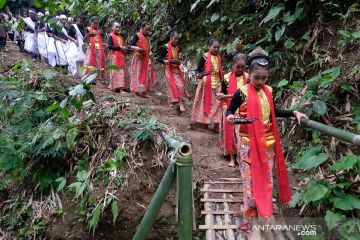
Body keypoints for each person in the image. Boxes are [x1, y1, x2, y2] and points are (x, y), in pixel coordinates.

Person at [226, 47, 307, 222]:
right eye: (257, 78)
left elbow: (273, 111)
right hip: (248, 143)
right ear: (249, 74)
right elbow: (229, 111)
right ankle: (251, 209)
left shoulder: (268, 91)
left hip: (267, 143)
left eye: (264, 78)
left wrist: (294, 113)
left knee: (266, 177)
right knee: (250, 178)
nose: (260, 81)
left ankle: (263, 205)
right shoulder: (242, 92)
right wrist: (231, 117)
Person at [217, 53, 248, 167]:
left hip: (243, 110)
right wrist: (221, 95)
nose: (240, 69)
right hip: (229, 109)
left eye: (242, 67)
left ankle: (242, 158)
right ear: (232, 65)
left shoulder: (248, 77)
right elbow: (223, 92)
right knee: (230, 133)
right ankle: (232, 158)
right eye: (237, 67)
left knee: (240, 134)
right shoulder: (226, 77)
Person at [191, 38, 224, 131]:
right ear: (209, 47)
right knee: (205, 103)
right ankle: (204, 124)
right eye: (214, 47)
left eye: (218, 47)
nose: (216, 49)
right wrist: (201, 74)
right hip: (206, 84)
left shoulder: (219, 57)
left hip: (218, 83)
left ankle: (216, 125)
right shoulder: (204, 57)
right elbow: (197, 69)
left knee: (219, 104)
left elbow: (220, 71)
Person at [159, 30, 188, 112]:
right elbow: (159, 59)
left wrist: (178, 61)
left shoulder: (177, 48)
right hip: (168, 69)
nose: (177, 41)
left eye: (178, 39)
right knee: (171, 86)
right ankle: (177, 103)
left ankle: (178, 102)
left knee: (181, 85)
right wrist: (166, 61)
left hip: (176, 69)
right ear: (171, 38)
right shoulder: (165, 47)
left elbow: (177, 59)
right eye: (175, 39)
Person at [130, 21, 156, 97]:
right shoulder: (137, 35)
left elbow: (148, 47)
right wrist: (137, 48)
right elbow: (131, 46)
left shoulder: (147, 37)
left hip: (146, 59)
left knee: (146, 74)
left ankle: (144, 92)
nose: (148, 31)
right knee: (138, 74)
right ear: (141, 28)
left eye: (149, 30)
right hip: (138, 59)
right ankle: (136, 91)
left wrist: (150, 52)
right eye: (146, 29)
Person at [107, 22, 129, 93]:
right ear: (112, 27)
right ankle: (119, 89)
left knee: (121, 72)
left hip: (121, 56)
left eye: (119, 27)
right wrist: (119, 47)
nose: (118, 28)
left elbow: (122, 46)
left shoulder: (120, 37)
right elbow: (110, 47)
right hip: (114, 56)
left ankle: (120, 87)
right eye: (116, 27)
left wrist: (124, 49)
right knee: (117, 72)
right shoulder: (111, 36)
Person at [82, 16, 105, 83]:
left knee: (99, 64)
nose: (96, 25)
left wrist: (103, 44)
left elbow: (99, 40)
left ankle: (97, 80)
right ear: (91, 22)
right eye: (95, 23)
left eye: (97, 23)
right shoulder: (88, 29)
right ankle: (87, 78)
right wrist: (89, 34)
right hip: (91, 48)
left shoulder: (99, 31)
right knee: (89, 62)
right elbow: (84, 39)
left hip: (99, 49)